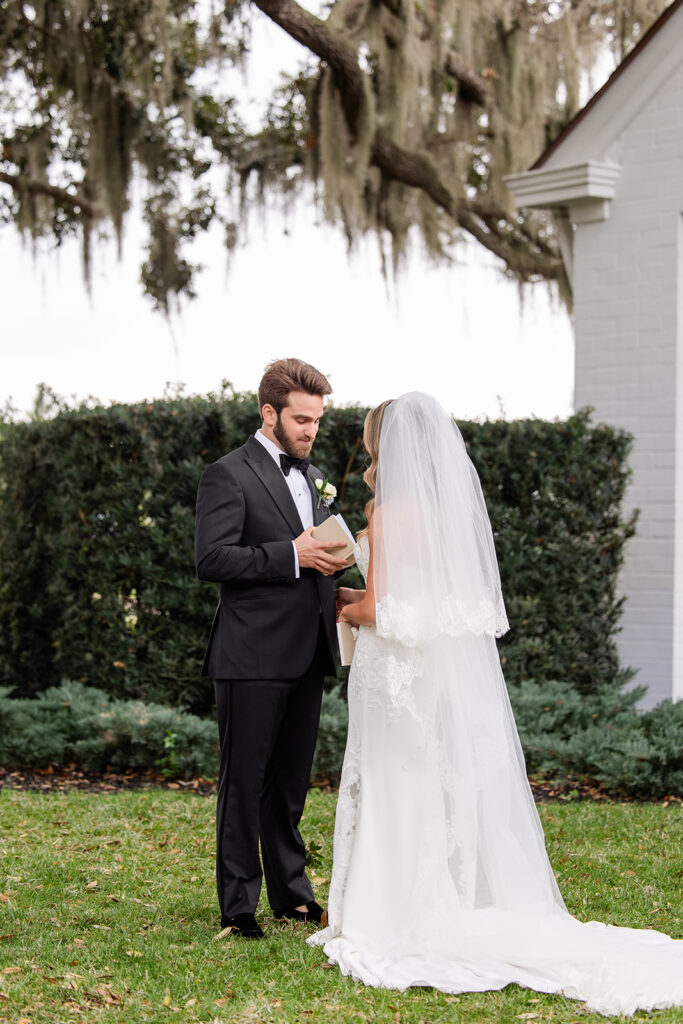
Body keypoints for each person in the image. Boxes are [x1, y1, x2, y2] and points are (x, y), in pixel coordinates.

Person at [309, 392, 683, 1016]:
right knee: (417, 784)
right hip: (418, 673)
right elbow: (424, 597)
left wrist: (338, 603)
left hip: (391, 675)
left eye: (373, 438)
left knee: (391, 784)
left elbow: (379, 608)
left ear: (386, 445)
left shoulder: (389, 510)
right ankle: (420, 899)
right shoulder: (438, 512)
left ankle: (392, 916)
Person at [195, 358, 349, 939]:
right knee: (244, 782)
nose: (311, 431)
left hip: (308, 652)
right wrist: (293, 555)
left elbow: (317, 553)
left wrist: (337, 577)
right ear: (269, 414)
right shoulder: (227, 475)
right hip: (251, 656)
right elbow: (211, 559)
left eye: (317, 421)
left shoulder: (312, 477)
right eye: (301, 419)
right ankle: (238, 907)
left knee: (289, 784)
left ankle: (293, 895)